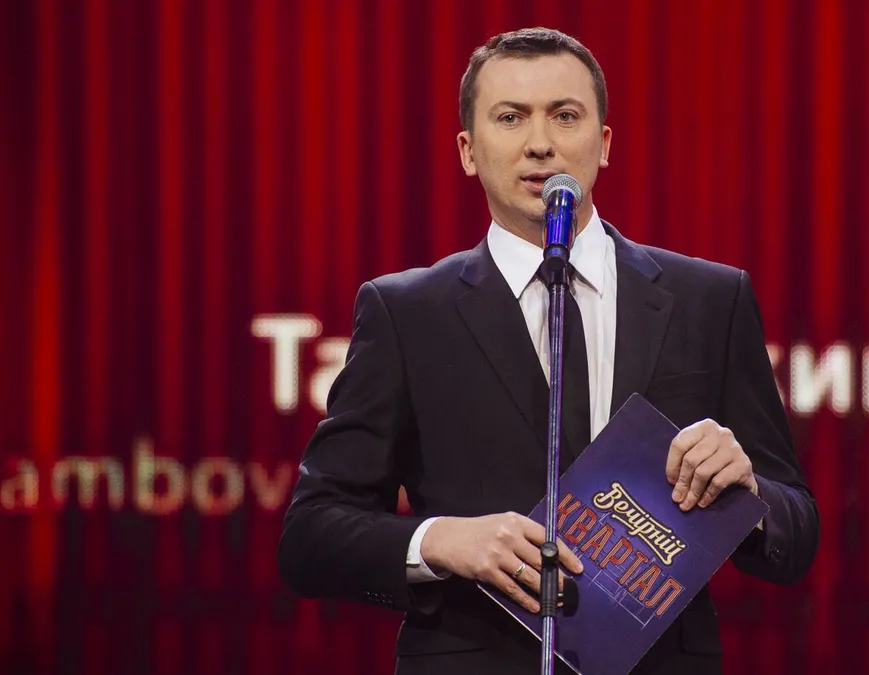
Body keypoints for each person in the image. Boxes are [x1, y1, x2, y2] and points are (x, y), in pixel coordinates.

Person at [277, 27, 819, 675]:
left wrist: (748, 494)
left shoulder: (710, 300)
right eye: (510, 118)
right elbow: (311, 536)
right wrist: (441, 540)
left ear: (605, 143)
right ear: (468, 151)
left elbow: (796, 531)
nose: (540, 142)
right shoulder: (407, 313)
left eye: (565, 116)